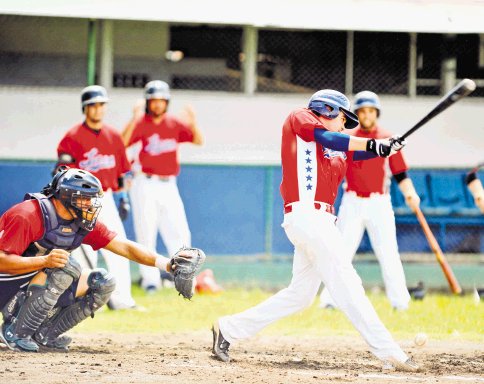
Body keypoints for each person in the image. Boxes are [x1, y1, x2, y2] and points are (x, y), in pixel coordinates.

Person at [211, 89, 420, 372]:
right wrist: (373, 145)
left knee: (300, 296)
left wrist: (385, 147)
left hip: (319, 222)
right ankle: (389, 351)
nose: (343, 125)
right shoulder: (301, 118)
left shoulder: (334, 152)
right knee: (348, 283)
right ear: (327, 109)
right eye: (341, 119)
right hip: (307, 218)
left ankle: (228, 329)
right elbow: (328, 136)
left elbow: (352, 153)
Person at [0, 168, 191, 352]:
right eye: (86, 198)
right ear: (68, 197)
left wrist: (167, 264)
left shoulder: (80, 220)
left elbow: (124, 246)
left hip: (29, 278)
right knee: (65, 267)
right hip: (6, 282)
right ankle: (15, 333)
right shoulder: (28, 215)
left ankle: (43, 336)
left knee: (102, 282)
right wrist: (44, 262)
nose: (91, 204)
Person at [319, 91, 420, 311]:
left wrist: (410, 193)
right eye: (362, 111)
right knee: (340, 252)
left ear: (377, 113)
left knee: (388, 253)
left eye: (371, 111)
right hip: (352, 201)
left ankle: (400, 303)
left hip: (379, 203)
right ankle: (329, 300)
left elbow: (400, 173)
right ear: (357, 113)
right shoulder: (349, 137)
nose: (366, 115)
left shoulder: (387, 137)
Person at [55, 85, 136, 310]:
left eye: (101, 105)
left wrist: (124, 199)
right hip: (80, 201)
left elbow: (122, 174)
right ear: (85, 108)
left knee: (118, 247)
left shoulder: (114, 136)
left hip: (106, 198)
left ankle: (122, 300)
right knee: (79, 254)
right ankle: (79, 302)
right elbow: (61, 172)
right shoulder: (72, 137)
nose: (98, 109)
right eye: (93, 105)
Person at [121, 80, 203, 293]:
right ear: (148, 102)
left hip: (168, 184)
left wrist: (193, 122)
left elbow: (198, 140)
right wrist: (134, 117)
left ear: (167, 102)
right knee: (146, 231)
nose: (157, 105)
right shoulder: (141, 122)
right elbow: (122, 143)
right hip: (144, 182)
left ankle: (185, 279)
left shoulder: (173, 123)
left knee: (179, 231)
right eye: (153, 101)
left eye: (161, 101)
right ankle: (150, 280)